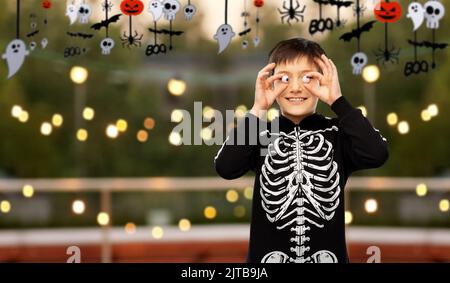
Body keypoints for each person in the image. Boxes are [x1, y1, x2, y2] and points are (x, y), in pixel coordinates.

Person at [214, 37, 389, 263]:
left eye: (308, 77)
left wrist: (338, 101)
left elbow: (377, 153)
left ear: (324, 80)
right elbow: (226, 167)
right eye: (285, 78)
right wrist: (258, 109)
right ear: (271, 81)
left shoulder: (339, 132)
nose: (296, 87)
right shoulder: (261, 133)